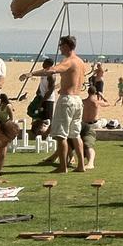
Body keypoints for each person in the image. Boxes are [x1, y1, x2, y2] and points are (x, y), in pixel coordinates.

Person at [20, 36, 87, 175]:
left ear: (67, 46)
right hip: (78, 99)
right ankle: (81, 165)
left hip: (67, 99)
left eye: (61, 45)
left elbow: (51, 70)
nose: (59, 47)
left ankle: (63, 167)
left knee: (61, 135)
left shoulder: (69, 61)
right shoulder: (81, 62)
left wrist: (31, 73)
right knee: (75, 134)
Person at [80, 84, 109, 170]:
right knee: (104, 121)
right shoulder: (97, 102)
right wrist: (102, 96)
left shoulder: (83, 101)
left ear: (88, 92)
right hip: (95, 124)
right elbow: (108, 103)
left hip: (85, 124)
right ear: (95, 93)